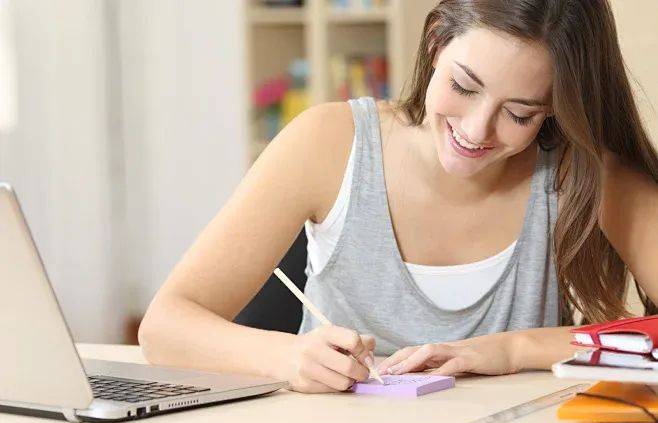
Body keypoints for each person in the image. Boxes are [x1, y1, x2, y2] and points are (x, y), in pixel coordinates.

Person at [138, 0, 658, 394]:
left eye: (519, 113)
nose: (476, 130)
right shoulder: (326, 142)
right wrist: (288, 357)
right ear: (435, 43)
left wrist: (515, 348)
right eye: (464, 86)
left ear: (557, 109)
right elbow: (165, 326)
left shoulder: (580, 173)